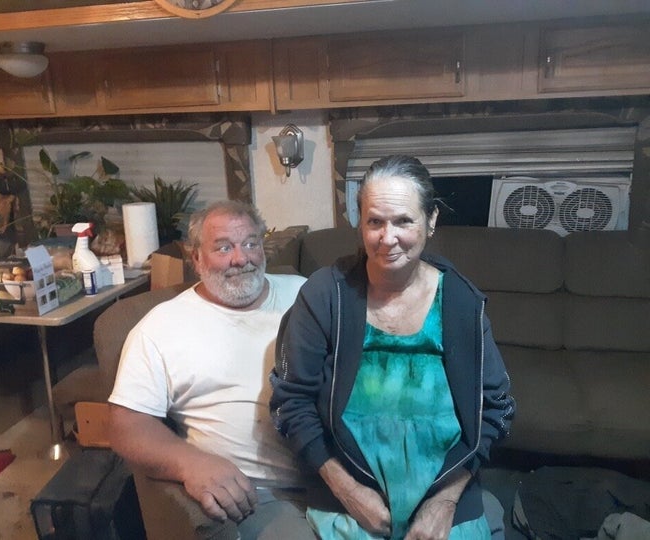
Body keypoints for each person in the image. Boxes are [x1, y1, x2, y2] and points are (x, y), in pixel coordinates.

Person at [270, 155, 516, 540]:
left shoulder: (460, 302)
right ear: (360, 222)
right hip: (348, 499)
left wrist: (445, 501)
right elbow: (290, 403)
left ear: (431, 220)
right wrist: (348, 492)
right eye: (375, 221)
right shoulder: (325, 295)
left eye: (403, 220)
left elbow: (497, 408)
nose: (388, 238)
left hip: (445, 497)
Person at [108, 200, 316, 539]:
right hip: (259, 495)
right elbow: (126, 425)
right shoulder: (160, 329)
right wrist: (190, 463)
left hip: (343, 473)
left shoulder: (307, 294)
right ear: (196, 258)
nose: (241, 258)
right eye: (223, 247)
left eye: (251, 243)